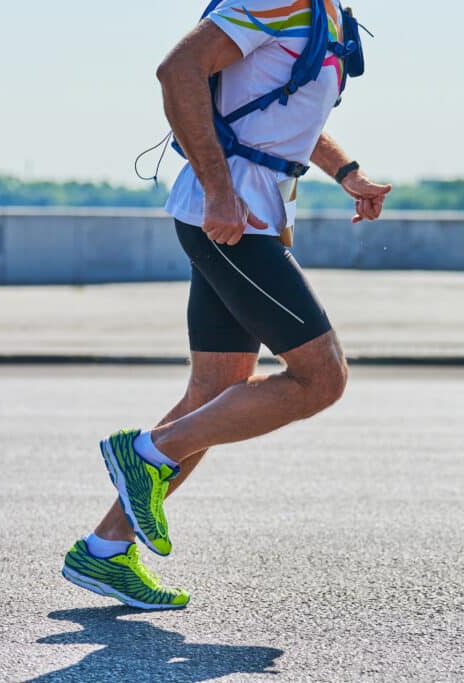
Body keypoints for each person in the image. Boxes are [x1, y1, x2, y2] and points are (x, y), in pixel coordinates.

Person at [61, 0, 391, 610]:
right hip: (233, 218)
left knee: (215, 393)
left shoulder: (330, 16)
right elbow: (178, 70)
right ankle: (143, 454)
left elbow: (286, 119)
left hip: (247, 214)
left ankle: (104, 550)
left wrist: (347, 173)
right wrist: (219, 190)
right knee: (322, 379)